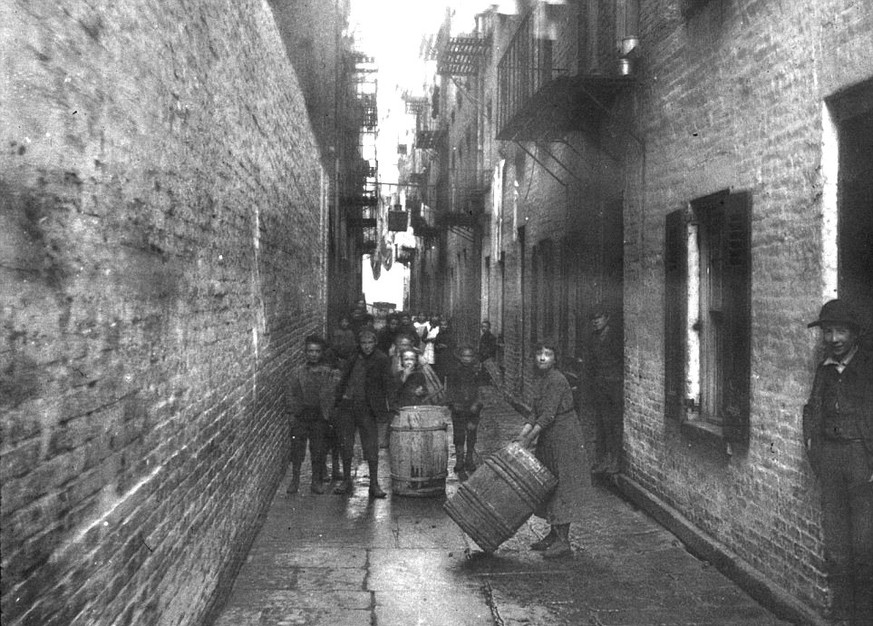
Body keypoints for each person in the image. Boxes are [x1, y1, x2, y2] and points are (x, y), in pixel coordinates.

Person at [803, 299, 872, 625]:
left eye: (840, 330)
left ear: (854, 334)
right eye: (828, 331)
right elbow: (812, 412)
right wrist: (816, 455)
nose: (833, 338)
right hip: (831, 460)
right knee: (837, 546)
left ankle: (864, 616)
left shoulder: (867, 371)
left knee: (863, 544)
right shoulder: (824, 371)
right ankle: (843, 613)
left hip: (862, 462)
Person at [518, 340, 589, 558]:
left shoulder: (557, 380)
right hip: (550, 436)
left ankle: (563, 541)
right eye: (539, 353)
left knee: (562, 486)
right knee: (549, 482)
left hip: (564, 436)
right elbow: (535, 412)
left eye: (547, 354)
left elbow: (548, 415)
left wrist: (528, 440)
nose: (542, 358)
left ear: (555, 359)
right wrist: (523, 433)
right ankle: (553, 534)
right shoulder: (541, 380)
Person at [333, 327, 394, 498]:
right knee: (346, 444)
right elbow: (344, 378)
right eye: (364, 343)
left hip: (368, 407)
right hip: (348, 406)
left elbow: (388, 383)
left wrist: (391, 407)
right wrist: (338, 400)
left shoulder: (381, 359)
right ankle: (346, 480)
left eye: (370, 343)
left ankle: (373, 484)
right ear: (359, 344)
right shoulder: (354, 357)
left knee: (371, 446)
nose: (367, 346)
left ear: (375, 343)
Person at [286, 335, 339, 495]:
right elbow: (291, 393)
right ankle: (295, 479)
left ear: (321, 353)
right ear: (305, 352)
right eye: (310, 351)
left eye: (317, 351)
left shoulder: (327, 373)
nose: (313, 354)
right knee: (297, 450)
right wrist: (292, 413)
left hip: (319, 417)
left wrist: (328, 414)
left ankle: (315, 481)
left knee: (318, 450)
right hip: (302, 415)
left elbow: (332, 394)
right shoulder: (298, 372)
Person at [586, 308, 623, 475]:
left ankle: (615, 461)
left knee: (614, 423)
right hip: (600, 384)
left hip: (614, 386)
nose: (595, 321)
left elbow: (621, 360)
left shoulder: (614, 337)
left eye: (599, 317)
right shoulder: (593, 338)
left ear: (606, 318)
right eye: (593, 318)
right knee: (602, 423)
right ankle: (603, 460)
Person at [446, 346, 484, 480]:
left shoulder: (476, 372)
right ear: (460, 357)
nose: (467, 359)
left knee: (472, 433)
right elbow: (449, 389)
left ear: (473, 358)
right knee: (459, 435)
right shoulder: (454, 372)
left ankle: (469, 459)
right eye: (464, 356)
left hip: (473, 409)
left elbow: (479, 390)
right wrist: (452, 403)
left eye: (469, 356)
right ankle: (460, 461)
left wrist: (477, 403)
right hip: (459, 408)